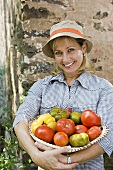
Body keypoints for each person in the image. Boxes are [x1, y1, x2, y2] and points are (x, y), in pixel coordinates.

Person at [13, 20, 113, 170]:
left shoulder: (103, 88)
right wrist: (36, 156)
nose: (65, 59)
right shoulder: (42, 87)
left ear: (83, 48)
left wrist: (65, 161)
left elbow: (108, 138)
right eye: (58, 53)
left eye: (71, 50)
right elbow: (21, 120)